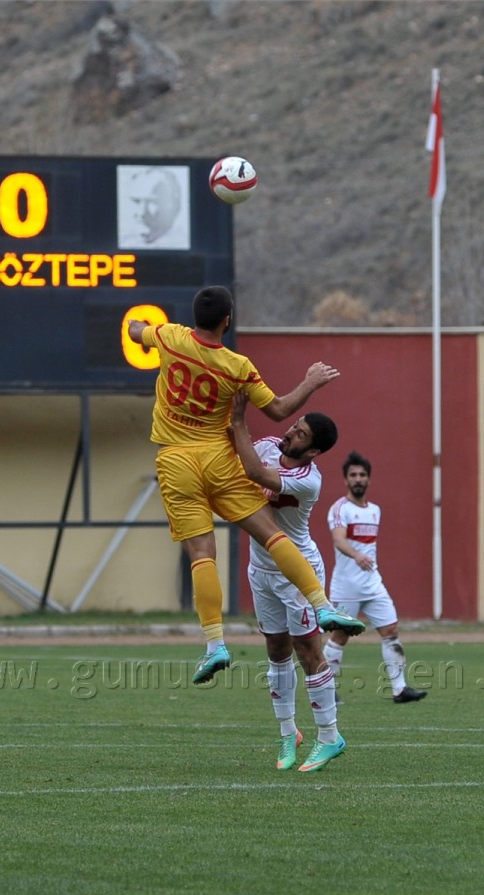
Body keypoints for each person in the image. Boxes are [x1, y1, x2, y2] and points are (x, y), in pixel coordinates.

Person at [127, 285, 366, 686]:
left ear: (194, 316)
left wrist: (138, 326)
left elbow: (137, 331)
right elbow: (278, 410)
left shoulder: (170, 337)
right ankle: (322, 606)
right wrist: (309, 382)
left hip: (175, 460)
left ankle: (215, 644)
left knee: (202, 554)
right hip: (219, 458)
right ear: (227, 321)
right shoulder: (237, 366)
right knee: (271, 533)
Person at [229, 390, 351, 772]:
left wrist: (237, 419)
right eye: (294, 426)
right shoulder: (266, 445)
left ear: (313, 452)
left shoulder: (307, 479)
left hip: (297, 572)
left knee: (308, 653)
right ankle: (288, 734)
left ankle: (330, 737)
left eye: (300, 435)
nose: (290, 433)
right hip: (261, 569)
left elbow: (253, 473)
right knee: (276, 652)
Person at [324, 451, 428, 704]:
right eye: (353, 475)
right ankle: (326, 689)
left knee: (391, 630)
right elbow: (338, 540)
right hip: (347, 585)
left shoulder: (375, 511)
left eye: (362, 475)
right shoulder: (340, 509)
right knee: (340, 637)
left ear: (369, 479)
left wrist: (364, 558)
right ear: (345, 480)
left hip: (372, 583)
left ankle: (399, 689)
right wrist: (357, 554)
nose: (358, 479)